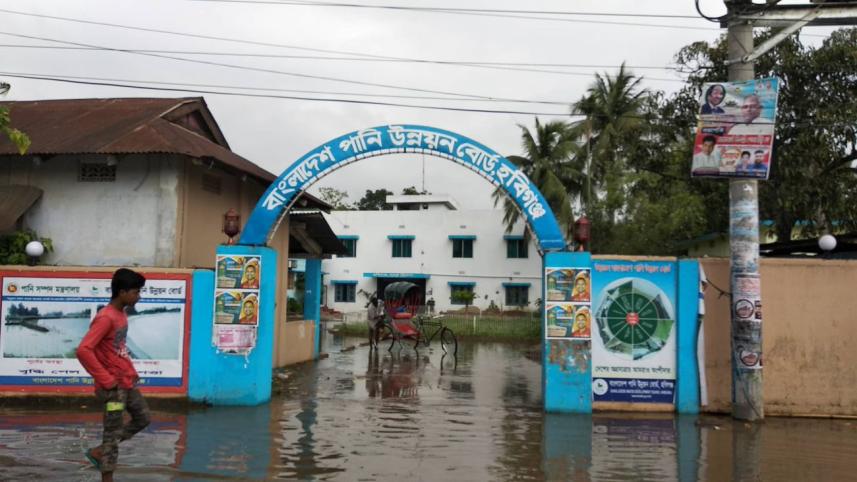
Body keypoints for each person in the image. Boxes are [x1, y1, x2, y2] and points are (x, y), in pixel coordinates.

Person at [77, 268, 150, 482]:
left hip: (125, 383)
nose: (139, 296)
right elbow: (83, 350)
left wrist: (130, 371)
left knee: (143, 418)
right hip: (113, 389)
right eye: (136, 292)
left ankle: (100, 450)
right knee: (112, 431)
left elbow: (117, 349)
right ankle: (107, 476)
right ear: (122, 292)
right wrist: (106, 380)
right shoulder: (106, 318)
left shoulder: (120, 315)